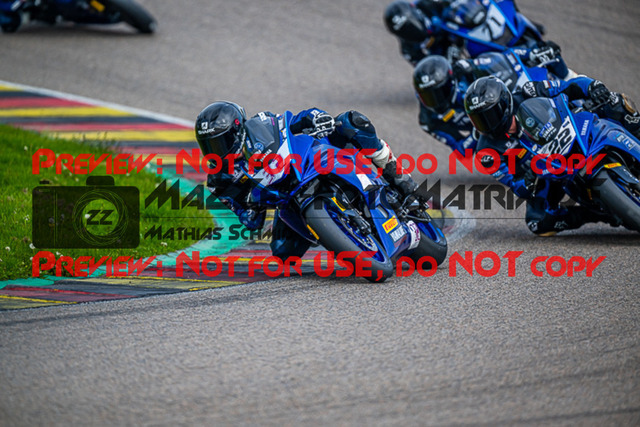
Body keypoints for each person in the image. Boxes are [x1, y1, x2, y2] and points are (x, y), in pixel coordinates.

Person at [194, 102, 419, 258]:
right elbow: (250, 220)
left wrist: (316, 117)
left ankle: (399, 176)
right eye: (209, 146)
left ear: (237, 131)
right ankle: (343, 237)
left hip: (309, 159)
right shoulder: (219, 180)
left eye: (221, 142)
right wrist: (251, 210)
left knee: (351, 122)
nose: (217, 150)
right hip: (285, 199)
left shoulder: (260, 124)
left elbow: (293, 120)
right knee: (283, 253)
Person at [463, 75, 640, 235]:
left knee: (615, 101)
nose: (487, 124)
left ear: (504, 103)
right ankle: (602, 214)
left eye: (490, 115)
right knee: (537, 223)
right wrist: (528, 180)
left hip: (576, 128)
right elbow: (514, 184)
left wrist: (592, 86)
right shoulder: (486, 153)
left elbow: (568, 86)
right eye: (479, 119)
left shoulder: (529, 91)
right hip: (548, 173)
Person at [412, 44, 566, 154]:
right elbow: (461, 150)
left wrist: (530, 54)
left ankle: (569, 81)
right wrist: (476, 134)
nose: (436, 101)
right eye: (428, 97)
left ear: (450, 81)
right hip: (490, 133)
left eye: (439, 92)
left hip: (504, 103)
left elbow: (505, 57)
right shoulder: (428, 120)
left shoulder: (462, 70)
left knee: (550, 58)